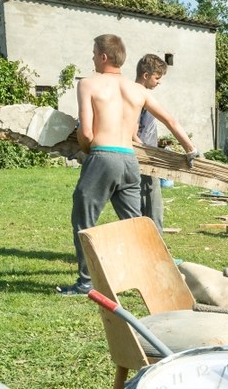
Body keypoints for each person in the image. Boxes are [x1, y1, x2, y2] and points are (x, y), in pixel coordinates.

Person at [60, 35, 198, 295]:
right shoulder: (138, 91)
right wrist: (191, 150)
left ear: (103, 56)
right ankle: (150, 277)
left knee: (84, 220)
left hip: (102, 156)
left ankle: (86, 283)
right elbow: (170, 120)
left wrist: (92, 153)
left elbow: (87, 134)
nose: (92, 58)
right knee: (134, 225)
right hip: (129, 161)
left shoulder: (88, 84)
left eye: (93, 53)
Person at [134, 54, 198, 234]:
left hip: (142, 157)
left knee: (138, 206)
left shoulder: (129, 92)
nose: (159, 83)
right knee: (152, 205)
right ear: (146, 75)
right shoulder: (140, 95)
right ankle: (155, 245)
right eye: (157, 78)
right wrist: (191, 150)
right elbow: (135, 132)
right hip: (143, 159)